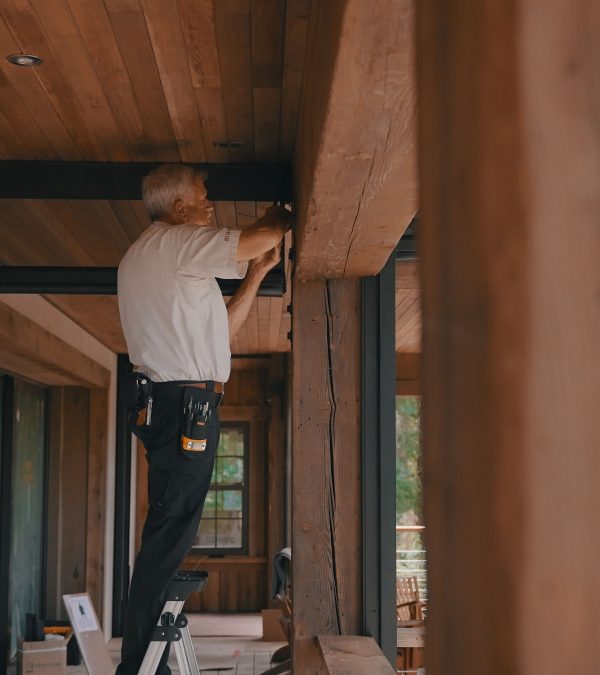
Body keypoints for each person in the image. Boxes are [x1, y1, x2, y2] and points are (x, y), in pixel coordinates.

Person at [116, 163, 291, 675]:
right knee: (170, 530)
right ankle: (139, 665)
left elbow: (221, 337)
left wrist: (257, 273)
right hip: (182, 407)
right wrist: (281, 211)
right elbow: (254, 236)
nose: (209, 207)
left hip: (175, 404)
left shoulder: (155, 257)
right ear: (178, 208)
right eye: (203, 198)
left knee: (170, 525)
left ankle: (145, 658)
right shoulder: (174, 242)